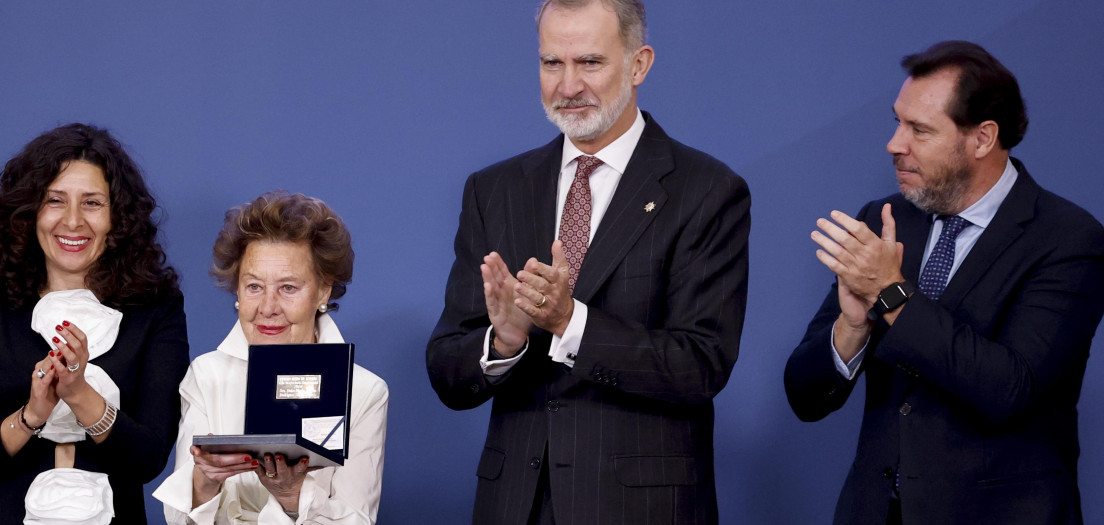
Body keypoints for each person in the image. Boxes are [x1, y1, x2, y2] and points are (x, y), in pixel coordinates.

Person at [426, 1, 750, 523]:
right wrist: (503, 344)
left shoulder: (707, 191)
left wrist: (569, 323)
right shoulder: (494, 190)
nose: (568, 85)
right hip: (515, 506)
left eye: (590, 62)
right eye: (552, 63)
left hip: (640, 509)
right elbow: (447, 371)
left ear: (639, 64)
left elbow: (700, 365)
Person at [785, 40, 1104, 524]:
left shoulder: (1068, 239)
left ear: (983, 138)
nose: (895, 144)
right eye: (897, 122)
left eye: (919, 130)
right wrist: (852, 329)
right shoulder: (884, 220)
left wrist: (890, 295)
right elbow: (805, 398)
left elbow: (1009, 389)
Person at [0, 123, 190, 524]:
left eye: (92, 203)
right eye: (54, 200)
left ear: (117, 216)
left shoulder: (156, 312)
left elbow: (148, 460)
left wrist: (80, 395)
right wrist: (31, 415)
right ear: (29, 212)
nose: (72, 221)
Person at [154, 191, 388, 524]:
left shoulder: (364, 391)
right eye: (254, 286)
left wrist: (291, 495)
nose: (267, 308)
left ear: (323, 290)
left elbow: (357, 519)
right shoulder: (207, 375)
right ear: (237, 290)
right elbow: (178, 519)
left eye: (288, 288)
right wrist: (205, 480)